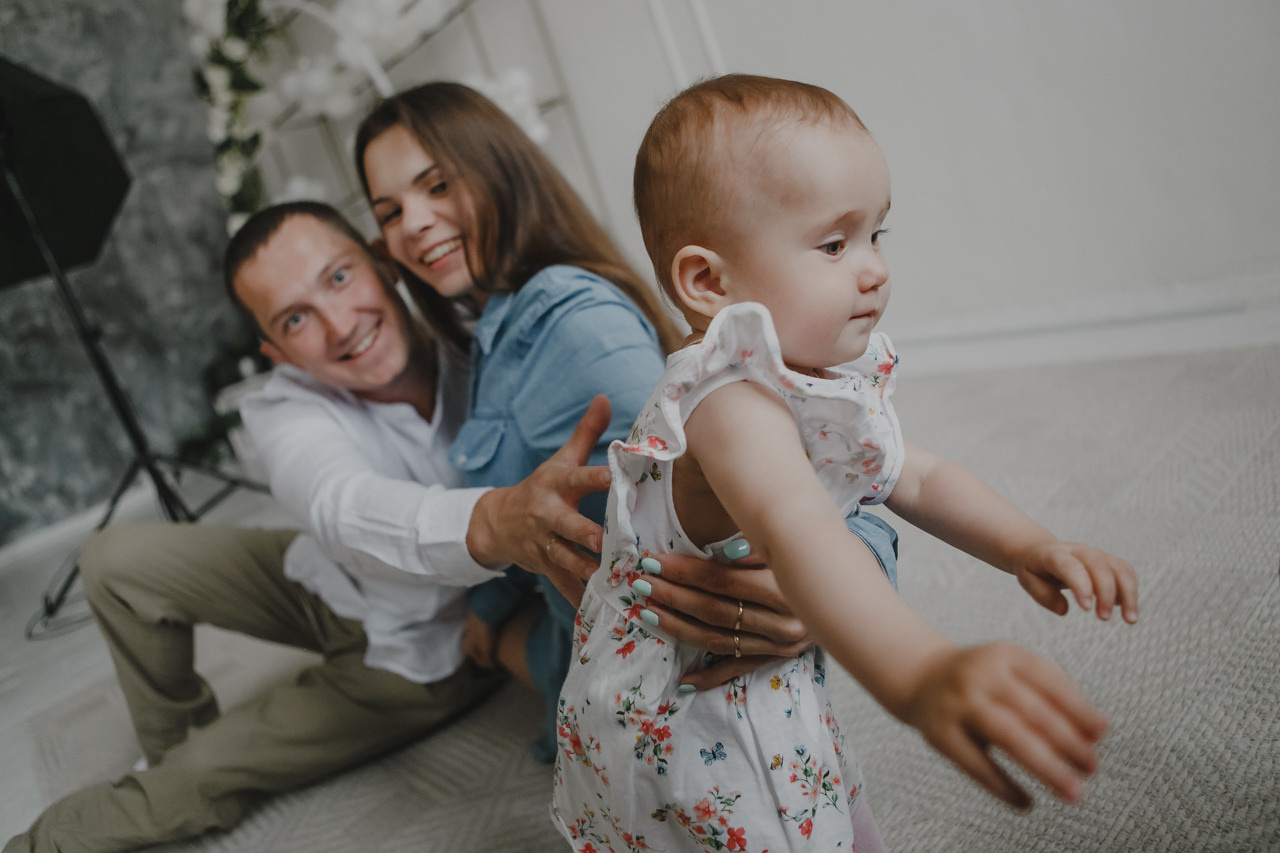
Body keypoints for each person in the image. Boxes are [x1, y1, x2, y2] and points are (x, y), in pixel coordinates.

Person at [3, 201, 798, 853]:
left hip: (426, 645)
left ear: (382, 263)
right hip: (325, 572)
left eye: (342, 276)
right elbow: (341, 508)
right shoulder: (284, 410)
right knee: (115, 556)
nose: (341, 323)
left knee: (184, 787)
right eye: (298, 317)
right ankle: (173, 731)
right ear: (274, 348)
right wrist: (494, 517)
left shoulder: (473, 332)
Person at [552, 74, 1140, 851]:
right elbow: (802, 532)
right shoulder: (726, 405)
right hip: (690, 733)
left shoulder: (812, 386)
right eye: (834, 244)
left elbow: (918, 474)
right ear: (708, 282)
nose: (873, 269)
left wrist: (1029, 544)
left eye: (876, 235)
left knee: (826, 798)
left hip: (768, 691)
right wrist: (922, 671)